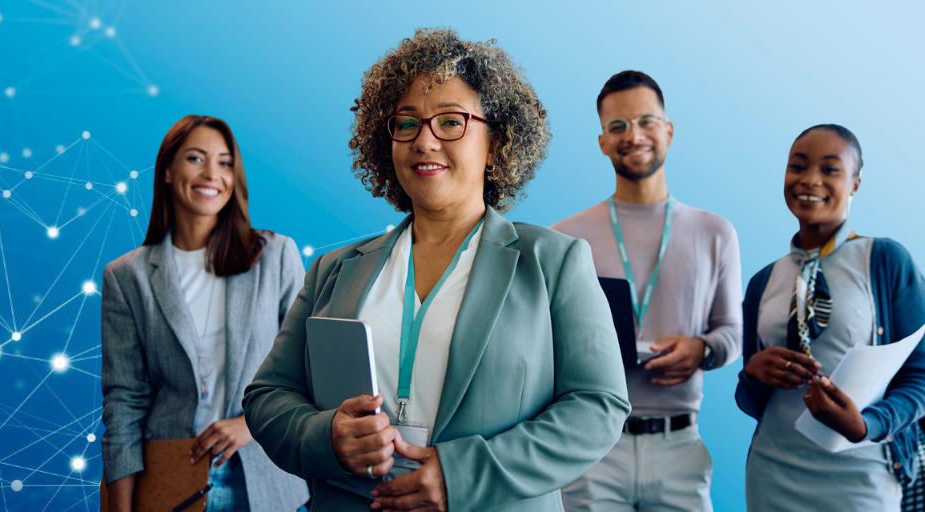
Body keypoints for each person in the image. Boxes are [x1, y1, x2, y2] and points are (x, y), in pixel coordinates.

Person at [242, 28, 630, 512]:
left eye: (451, 122)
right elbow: (268, 395)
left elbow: (598, 407)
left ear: (496, 141)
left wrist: (461, 475)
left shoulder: (554, 261)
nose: (424, 140)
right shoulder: (333, 268)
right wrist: (327, 436)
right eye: (407, 123)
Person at [552, 70, 742, 512]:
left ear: (668, 130)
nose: (632, 135)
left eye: (646, 121)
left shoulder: (715, 232)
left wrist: (702, 350)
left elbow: (732, 330)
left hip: (680, 446)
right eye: (617, 126)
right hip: (593, 445)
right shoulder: (565, 239)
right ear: (602, 142)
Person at [100, 115, 309, 511]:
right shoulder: (126, 276)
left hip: (267, 480)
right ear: (166, 170)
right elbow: (124, 400)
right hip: (168, 477)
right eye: (196, 158)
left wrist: (252, 424)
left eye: (225, 162)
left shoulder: (276, 255)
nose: (212, 173)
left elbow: (309, 366)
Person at [736, 124, 925, 511]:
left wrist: (867, 425)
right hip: (772, 474)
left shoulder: (886, 262)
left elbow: (921, 375)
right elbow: (751, 402)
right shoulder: (763, 282)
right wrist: (754, 372)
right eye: (797, 166)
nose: (809, 180)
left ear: (855, 183)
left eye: (830, 169)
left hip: (862, 475)